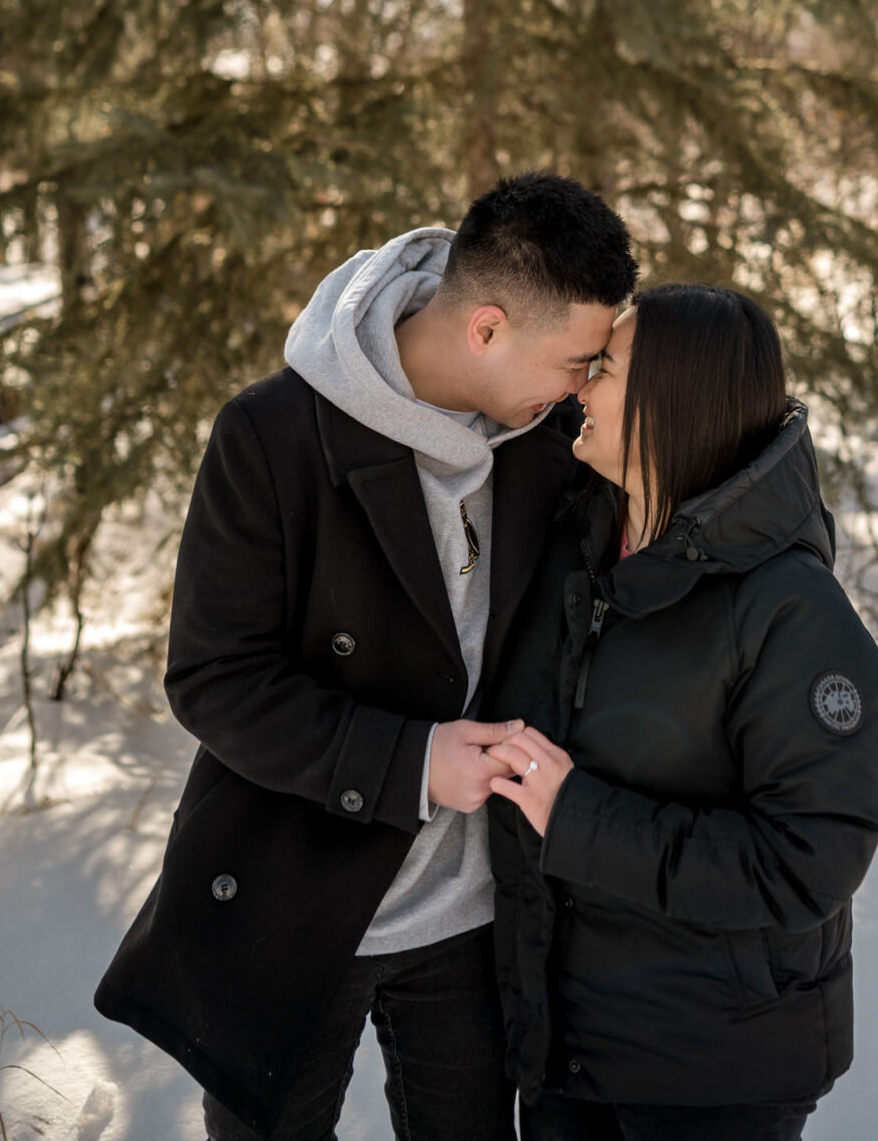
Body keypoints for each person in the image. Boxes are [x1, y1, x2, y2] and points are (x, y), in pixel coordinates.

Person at [95, 172, 638, 1141]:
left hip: (474, 914)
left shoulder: (545, 438)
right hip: (295, 900)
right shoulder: (271, 437)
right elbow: (215, 679)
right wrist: (411, 762)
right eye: (575, 360)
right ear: (484, 329)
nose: (583, 386)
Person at [482, 282, 878, 1141]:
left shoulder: (790, 611)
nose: (579, 389)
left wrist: (579, 820)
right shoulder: (582, 558)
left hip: (714, 1076)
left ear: (674, 400)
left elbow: (805, 865)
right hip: (566, 1059)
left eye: (606, 369)